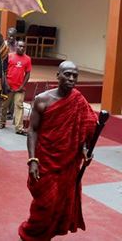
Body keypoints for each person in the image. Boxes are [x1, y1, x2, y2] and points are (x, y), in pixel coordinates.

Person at [18, 61, 97, 241]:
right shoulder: (42, 99)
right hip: (45, 159)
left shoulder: (78, 100)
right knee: (46, 202)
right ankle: (29, 234)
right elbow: (33, 131)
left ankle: (46, 235)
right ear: (58, 75)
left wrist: (85, 150)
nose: (71, 79)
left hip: (69, 162)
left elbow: (88, 127)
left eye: (74, 76)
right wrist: (33, 161)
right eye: (67, 74)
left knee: (60, 203)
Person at [0, 40, 31, 135]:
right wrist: (6, 85)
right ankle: (1, 122)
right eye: (20, 46)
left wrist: (22, 86)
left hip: (19, 88)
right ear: (16, 46)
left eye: (23, 47)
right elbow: (4, 71)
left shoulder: (28, 59)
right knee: (4, 105)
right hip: (8, 87)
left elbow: (28, 73)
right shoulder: (9, 56)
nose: (21, 48)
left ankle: (19, 128)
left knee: (19, 106)